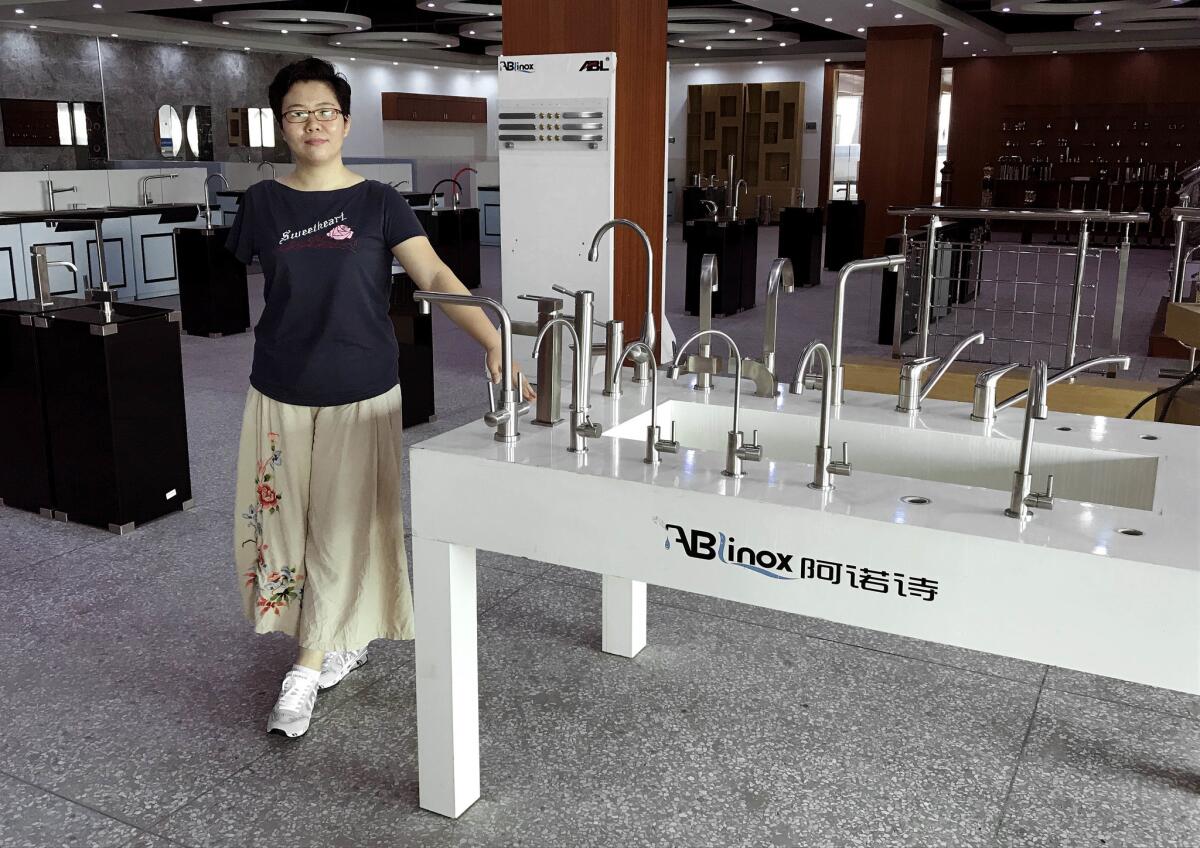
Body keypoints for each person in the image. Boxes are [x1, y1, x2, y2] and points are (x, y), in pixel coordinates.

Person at [225, 57, 532, 738]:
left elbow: (435, 271)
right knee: (282, 527)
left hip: (361, 390)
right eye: (298, 113)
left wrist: (495, 338)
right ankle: (332, 633)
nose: (313, 124)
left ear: (346, 121)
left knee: (342, 526)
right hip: (278, 388)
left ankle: (305, 669)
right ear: (281, 125)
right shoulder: (262, 204)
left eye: (325, 112)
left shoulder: (378, 201)